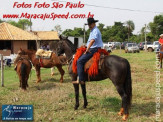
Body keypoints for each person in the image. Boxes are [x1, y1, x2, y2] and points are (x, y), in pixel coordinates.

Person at [72, 18, 103, 84]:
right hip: (93, 48)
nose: (89, 26)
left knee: (79, 61)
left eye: (90, 24)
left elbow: (92, 40)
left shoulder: (95, 31)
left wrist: (87, 49)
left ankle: (81, 80)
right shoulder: (93, 30)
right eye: (88, 25)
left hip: (93, 49)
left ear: (94, 23)